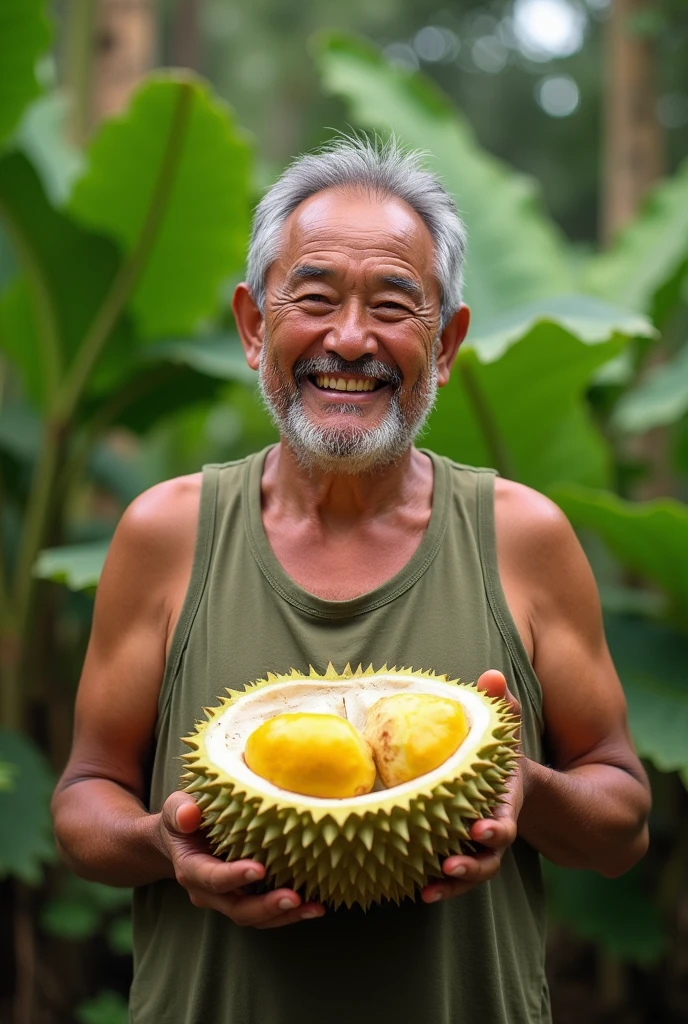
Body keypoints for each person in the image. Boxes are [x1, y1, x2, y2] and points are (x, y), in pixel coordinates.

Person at [52, 137, 650, 1024]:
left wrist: (528, 788)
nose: (349, 339)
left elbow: (623, 822)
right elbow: (81, 803)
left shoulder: (522, 538)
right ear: (256, 326)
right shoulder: (166, 533)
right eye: (317, 299)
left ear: (445, 344)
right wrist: (166, 845)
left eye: (394, 306)